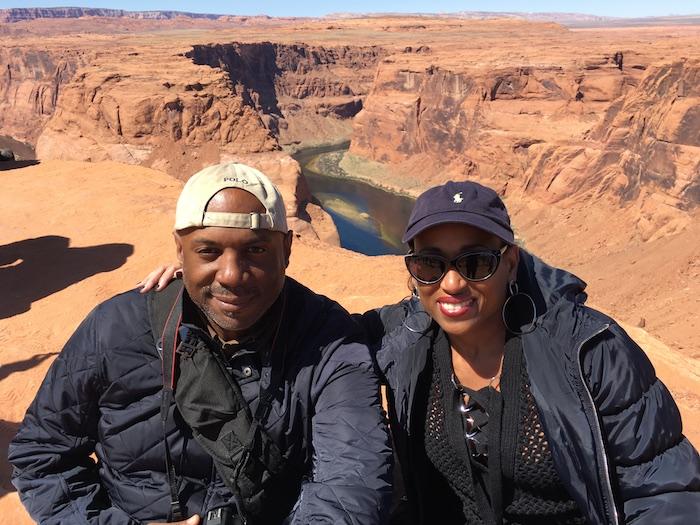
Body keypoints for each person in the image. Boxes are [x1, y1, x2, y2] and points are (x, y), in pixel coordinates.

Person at [140, 180, 700, 524]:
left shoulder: (588, 350)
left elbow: (666, 489)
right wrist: (202, 283)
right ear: (411, 270)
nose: (452, 283)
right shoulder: (397, 339)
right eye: (430, 263)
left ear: (509, 262)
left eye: (475, 261)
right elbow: (308, 330)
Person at [9, 163, 392, 525]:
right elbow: (42, 455)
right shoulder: (115, 329)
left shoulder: (325, 338)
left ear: (287, 250)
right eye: (208, 251)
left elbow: (350, 478)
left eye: (256, 250)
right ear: (180, 250)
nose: (232, 275)